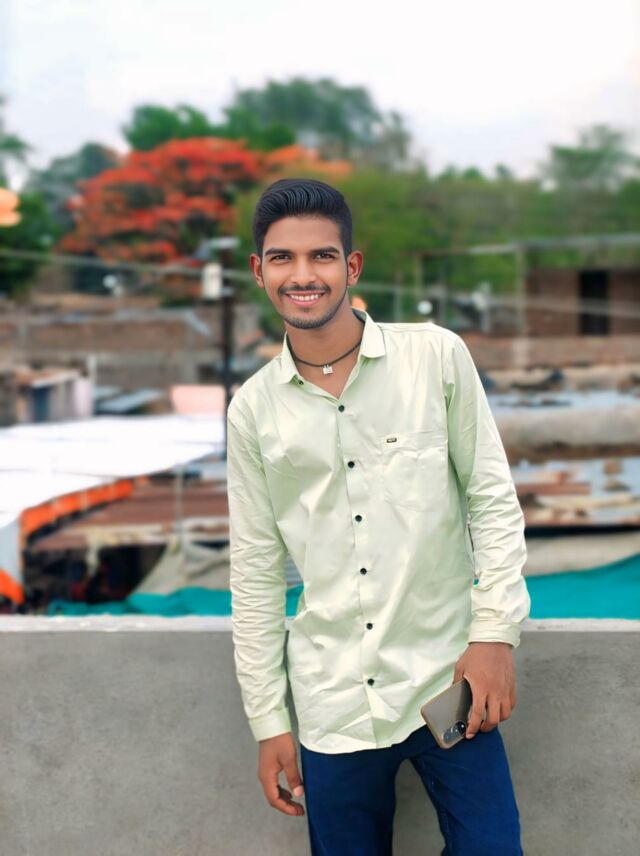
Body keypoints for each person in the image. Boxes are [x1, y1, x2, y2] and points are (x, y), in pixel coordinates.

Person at [226, 177, 531, 855]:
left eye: (322, 256)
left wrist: (495, 636)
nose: (303, 275)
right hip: (333, 703)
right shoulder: (252, 409)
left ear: (352, 265)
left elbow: (491, 501)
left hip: (448, 679)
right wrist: (268, 720)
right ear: (259, 271)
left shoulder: (436, 357)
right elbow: (254, 571)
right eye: (282, 258)